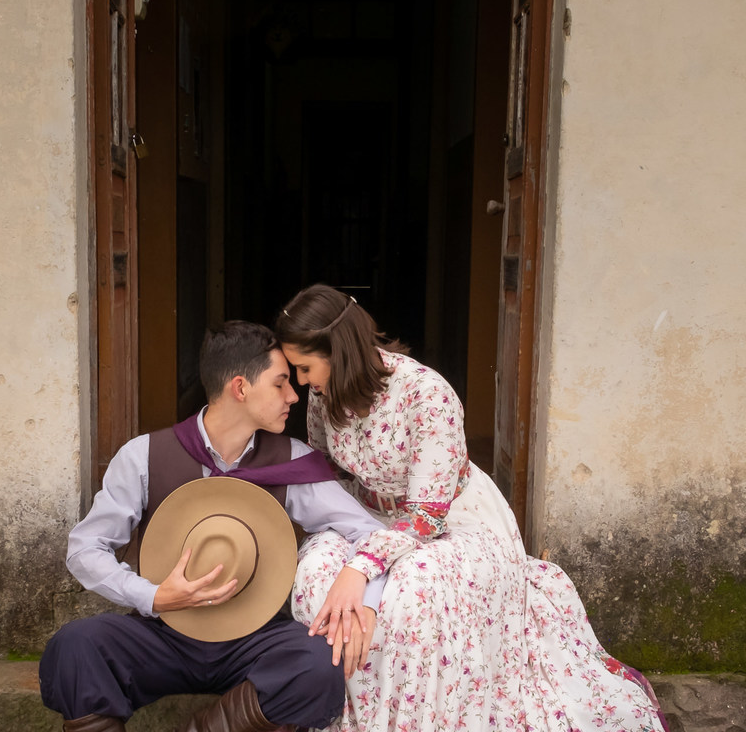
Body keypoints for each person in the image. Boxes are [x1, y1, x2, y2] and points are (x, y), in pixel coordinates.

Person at [274, 283, 669, 732]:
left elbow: (426, 515)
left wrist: (361, 568)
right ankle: (347, 719)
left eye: (305, 368)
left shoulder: (426, 394)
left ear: (338, 350)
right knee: (314, 576)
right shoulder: (323, 398)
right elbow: (329, 476)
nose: (302, 383)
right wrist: (349, 548)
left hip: (449, 521)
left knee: (412, 595)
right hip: (364, 518)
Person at [39, 321, 389, 732]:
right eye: (280, 384)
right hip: (163, 636)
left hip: (255, 641)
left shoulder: (290, 460)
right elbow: (85, 548)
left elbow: (370, 532)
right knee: (75, 646)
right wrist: (152, 596)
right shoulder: (143, 456)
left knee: (317, 662)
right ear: (240, 389)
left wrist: (361, 589)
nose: (294, 395)